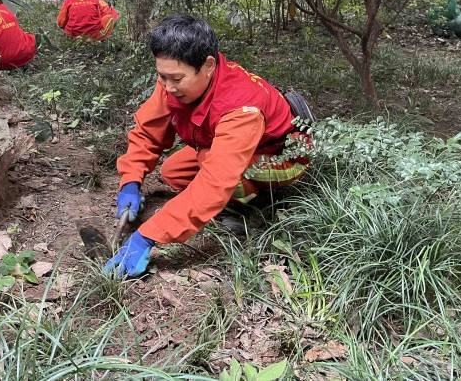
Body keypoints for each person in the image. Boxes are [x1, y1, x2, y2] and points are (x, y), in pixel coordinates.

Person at [105, 14, 311, 278]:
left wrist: (148, 235)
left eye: (176, 79)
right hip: (224, 146)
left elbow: (215, 181)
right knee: (173, 172)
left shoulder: (241, 108)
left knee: (211, 169)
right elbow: (148, 131)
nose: (168, 87)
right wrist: (130, 181)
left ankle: (254, 207)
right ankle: (236, 195)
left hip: (285, 156)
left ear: (209, 65)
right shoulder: (173, 78)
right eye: (162, 77)